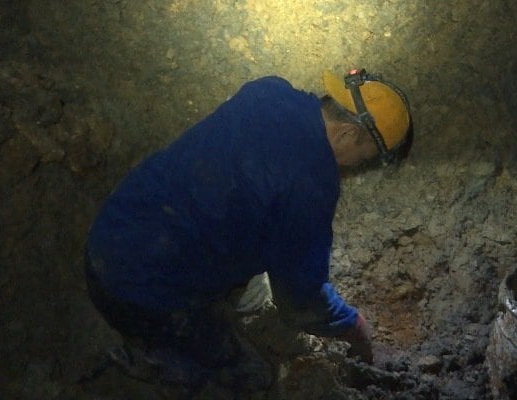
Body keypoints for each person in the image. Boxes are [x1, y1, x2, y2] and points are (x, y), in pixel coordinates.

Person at [85, 68, 412, 389]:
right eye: (364, 156)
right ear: (347, 133)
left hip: (111, 228)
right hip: (133, 292)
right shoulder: (311, 186)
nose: (357, 165)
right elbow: (301, 302)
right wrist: (352, 325)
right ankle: (155, 359)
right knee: (253, 376)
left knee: (246, 249)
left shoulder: (269, 91)